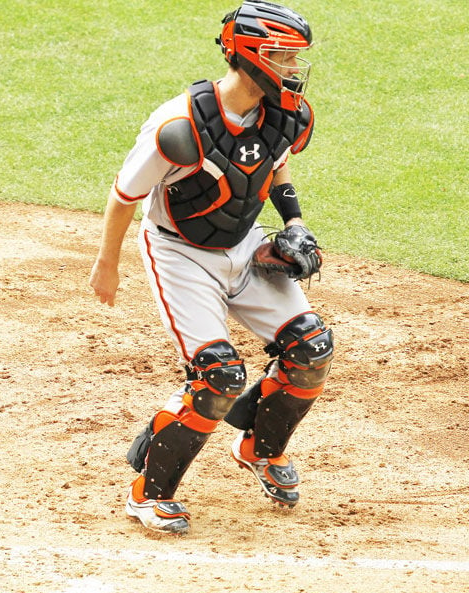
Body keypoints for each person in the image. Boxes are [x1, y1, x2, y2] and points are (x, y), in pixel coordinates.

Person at [89, 0, 334, 534]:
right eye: (283, 56)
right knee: (219, 376)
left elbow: (274, 162)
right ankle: (148, 493)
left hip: (244, 245)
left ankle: (259, 448)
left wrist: (292, 223)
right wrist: (107, 265)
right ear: (250, 55)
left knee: (311, 349)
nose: (293, 69)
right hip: (181, 253)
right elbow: (124, 195)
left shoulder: (286, 112)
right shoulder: (179, 126)